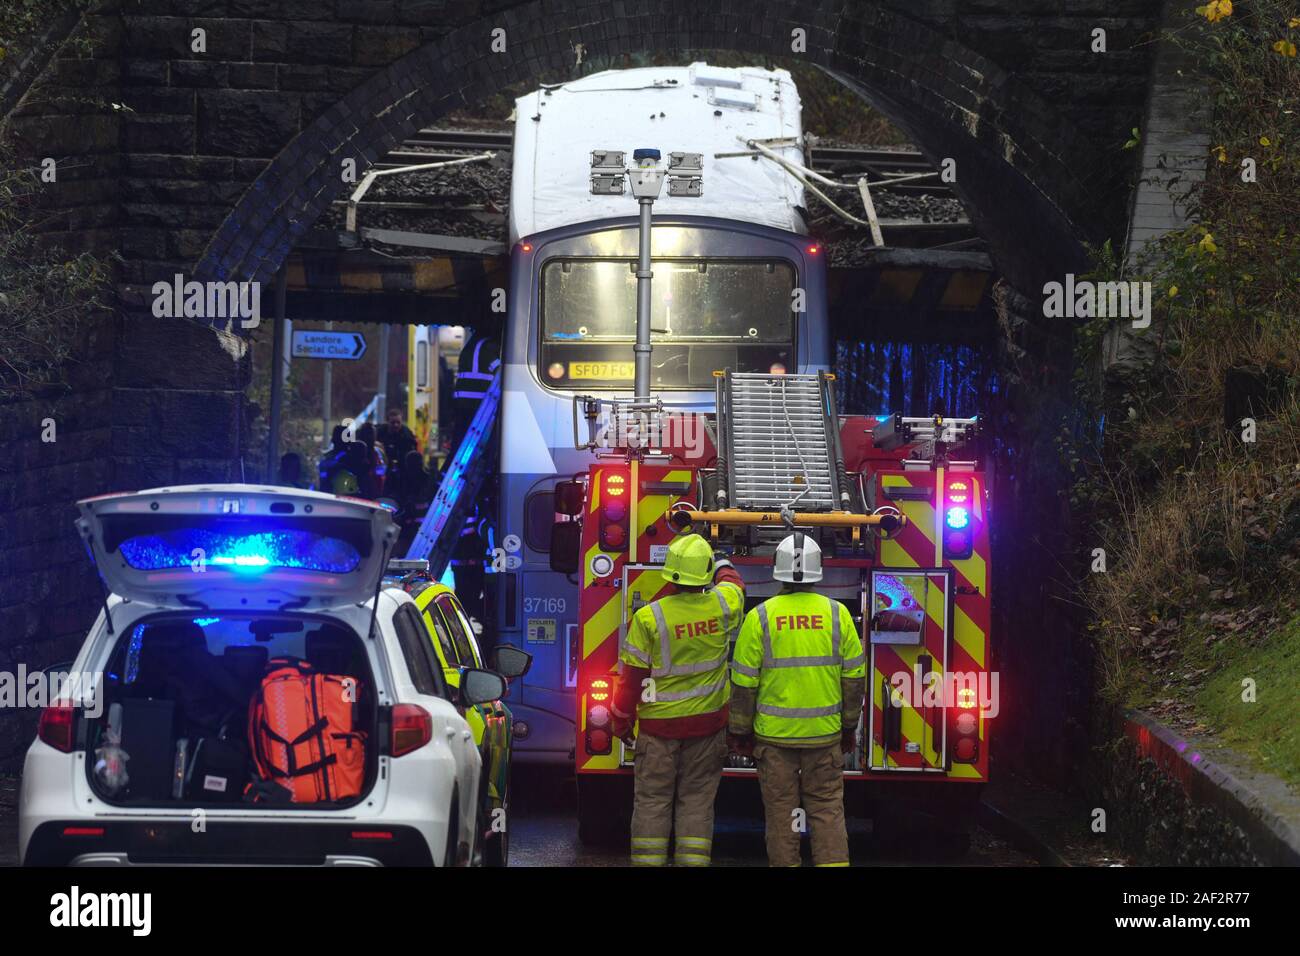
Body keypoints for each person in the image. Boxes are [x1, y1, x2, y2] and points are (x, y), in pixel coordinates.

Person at [728, 532, 866, 867]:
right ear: (819, 571)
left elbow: (743, 684)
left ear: (777, 570)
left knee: (783, 814)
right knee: (827, 811)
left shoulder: (759, 617)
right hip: (824, 737)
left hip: (774, 741)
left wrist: (740, 734)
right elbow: (854, 679)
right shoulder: (838, 615)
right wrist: (849, 727)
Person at [609, 534, 745, 867]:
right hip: (708, 728)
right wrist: (722, 559)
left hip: (657, 731)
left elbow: (631, 681)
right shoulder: (723, 605)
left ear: (669, 573)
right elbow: (734, 584)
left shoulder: (648, 618)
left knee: (653, 801)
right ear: (706, 574)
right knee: (697, 802)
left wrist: (621, 720)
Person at [451, 325, 500, 454]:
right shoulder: (488, 347)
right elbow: (502, 373)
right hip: (478, 407)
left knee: (459, 444)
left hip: (464, 406)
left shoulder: (472, 346)